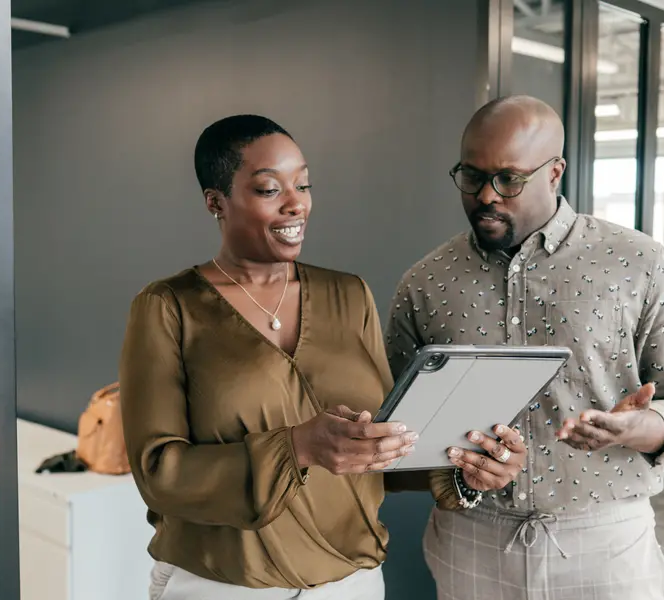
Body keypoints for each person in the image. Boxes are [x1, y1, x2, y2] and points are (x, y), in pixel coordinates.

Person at [119, 115, 526, 600]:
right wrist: (298, 447)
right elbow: (159, 474)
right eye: (270, 189)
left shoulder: (348, 294)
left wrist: (466, 466)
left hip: (350, 584)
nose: (298, 204)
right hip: (223, 585)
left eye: (304, 184)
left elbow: (380, 448)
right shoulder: (169, 307)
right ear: (216, 203)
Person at [384, 96, 664, 599]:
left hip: (604, 545)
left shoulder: (639, 264)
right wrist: (456, 470)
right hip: (470, 541)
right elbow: (394, 437)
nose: (486, 196)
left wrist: (645, 427)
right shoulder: (426, 282)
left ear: (555, 172)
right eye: (471, 176)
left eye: (509, 179)